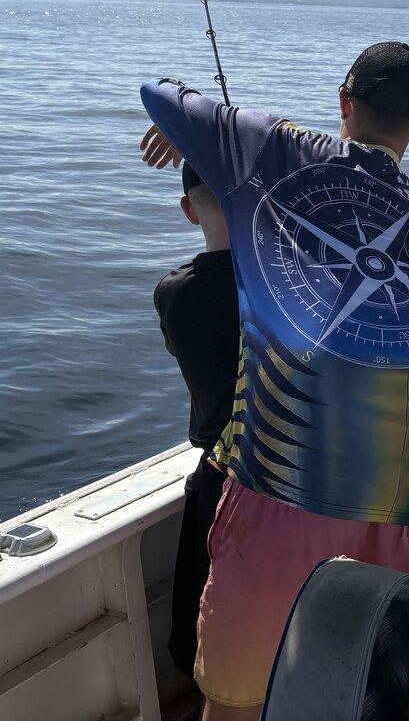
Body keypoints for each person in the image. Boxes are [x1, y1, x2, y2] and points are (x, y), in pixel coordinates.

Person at [138, 42, 409, 721]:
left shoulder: (275, 150)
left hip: (286, 494)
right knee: (358, 694)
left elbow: (156, 90)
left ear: (343, 103)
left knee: (234, 700)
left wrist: (186, 121)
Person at [153, 161, 240, 680]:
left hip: (221, 482)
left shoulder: (175, 294)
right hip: (297, 473)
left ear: (189, 211)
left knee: (200, 650)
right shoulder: (295, 283)